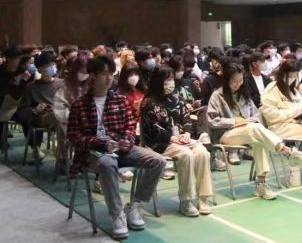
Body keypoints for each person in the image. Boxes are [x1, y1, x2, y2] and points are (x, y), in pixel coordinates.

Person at [67, 55, 165, 240]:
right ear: (93, 76)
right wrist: (99, 142)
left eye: (111, 74)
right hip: (93, 153)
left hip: (121, 149)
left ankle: (135, 205)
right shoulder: (79, 105)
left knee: (158, 161)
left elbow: (130, 125)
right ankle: (117, 214)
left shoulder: (119, 100)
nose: (109, 78)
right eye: (104, 74)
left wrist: (127, 140)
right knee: (107, 163)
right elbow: (74, 137)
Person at [140, 66, 213, 217]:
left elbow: (187, 117)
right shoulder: (148, 103)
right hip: (161, 143)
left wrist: (186, 133)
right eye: (167, 79)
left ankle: (203, 198)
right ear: (158, 81)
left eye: (172, 79)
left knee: (202, 152)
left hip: (181, 140)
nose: (171, 82)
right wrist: (171, 138)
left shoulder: (177, 98)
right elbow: (151, 129)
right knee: (186, 155)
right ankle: (186, 201)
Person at [14, 52, 63, 163]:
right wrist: (35, 110)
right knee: (57, 117)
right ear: (40, 69)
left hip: (61, 115)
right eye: (49, 65)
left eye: (54, 64)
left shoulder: (62, 84)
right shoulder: (31, 88)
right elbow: (22, 109)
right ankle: (58, 154)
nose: (53, 67)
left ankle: (64, 153)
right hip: (44, 117)